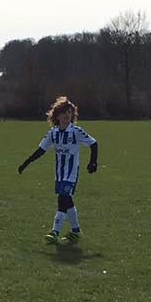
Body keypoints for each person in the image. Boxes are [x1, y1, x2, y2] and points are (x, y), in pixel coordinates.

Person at [17, 96, 99, 244]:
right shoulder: (53, 133)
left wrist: (93, 162)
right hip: (59, 174)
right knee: (67, 200)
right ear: (57, 115)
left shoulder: (76, 131)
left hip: (71, 173)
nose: (67, 115)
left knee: (62, 199)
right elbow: (40, 150)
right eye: (64, 112)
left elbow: (93, 144)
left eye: (69, 112)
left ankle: (55, 231)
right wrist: (26, 163)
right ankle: (76, 231)